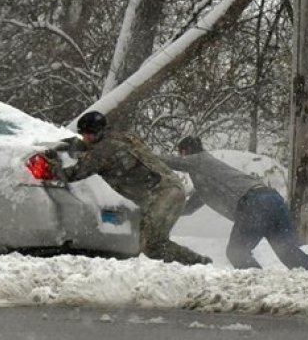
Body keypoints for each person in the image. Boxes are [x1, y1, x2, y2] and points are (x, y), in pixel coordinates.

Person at [61, 111, 211, 265]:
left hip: (164, 194)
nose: (85, 139)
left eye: (87, 135)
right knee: (141, 239)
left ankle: (198, 263)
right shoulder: (123, 137)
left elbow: (75, 173)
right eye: (82, 135)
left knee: (152, 245)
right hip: (169, 188)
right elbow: (94, 148)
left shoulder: (104, 150)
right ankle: (183, 267)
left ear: (96, 133)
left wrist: (50, 166)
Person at [164, 136, 308, 270]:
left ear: (186, 151)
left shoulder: (200, 159)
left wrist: (144, 158)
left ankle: (257, 285)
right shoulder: (205, 184)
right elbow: (188, 208)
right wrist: (163, 211)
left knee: (237, 252)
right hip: (273, 200)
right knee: (291, 255)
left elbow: (170, 162)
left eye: (181, 153)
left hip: (255, 203)